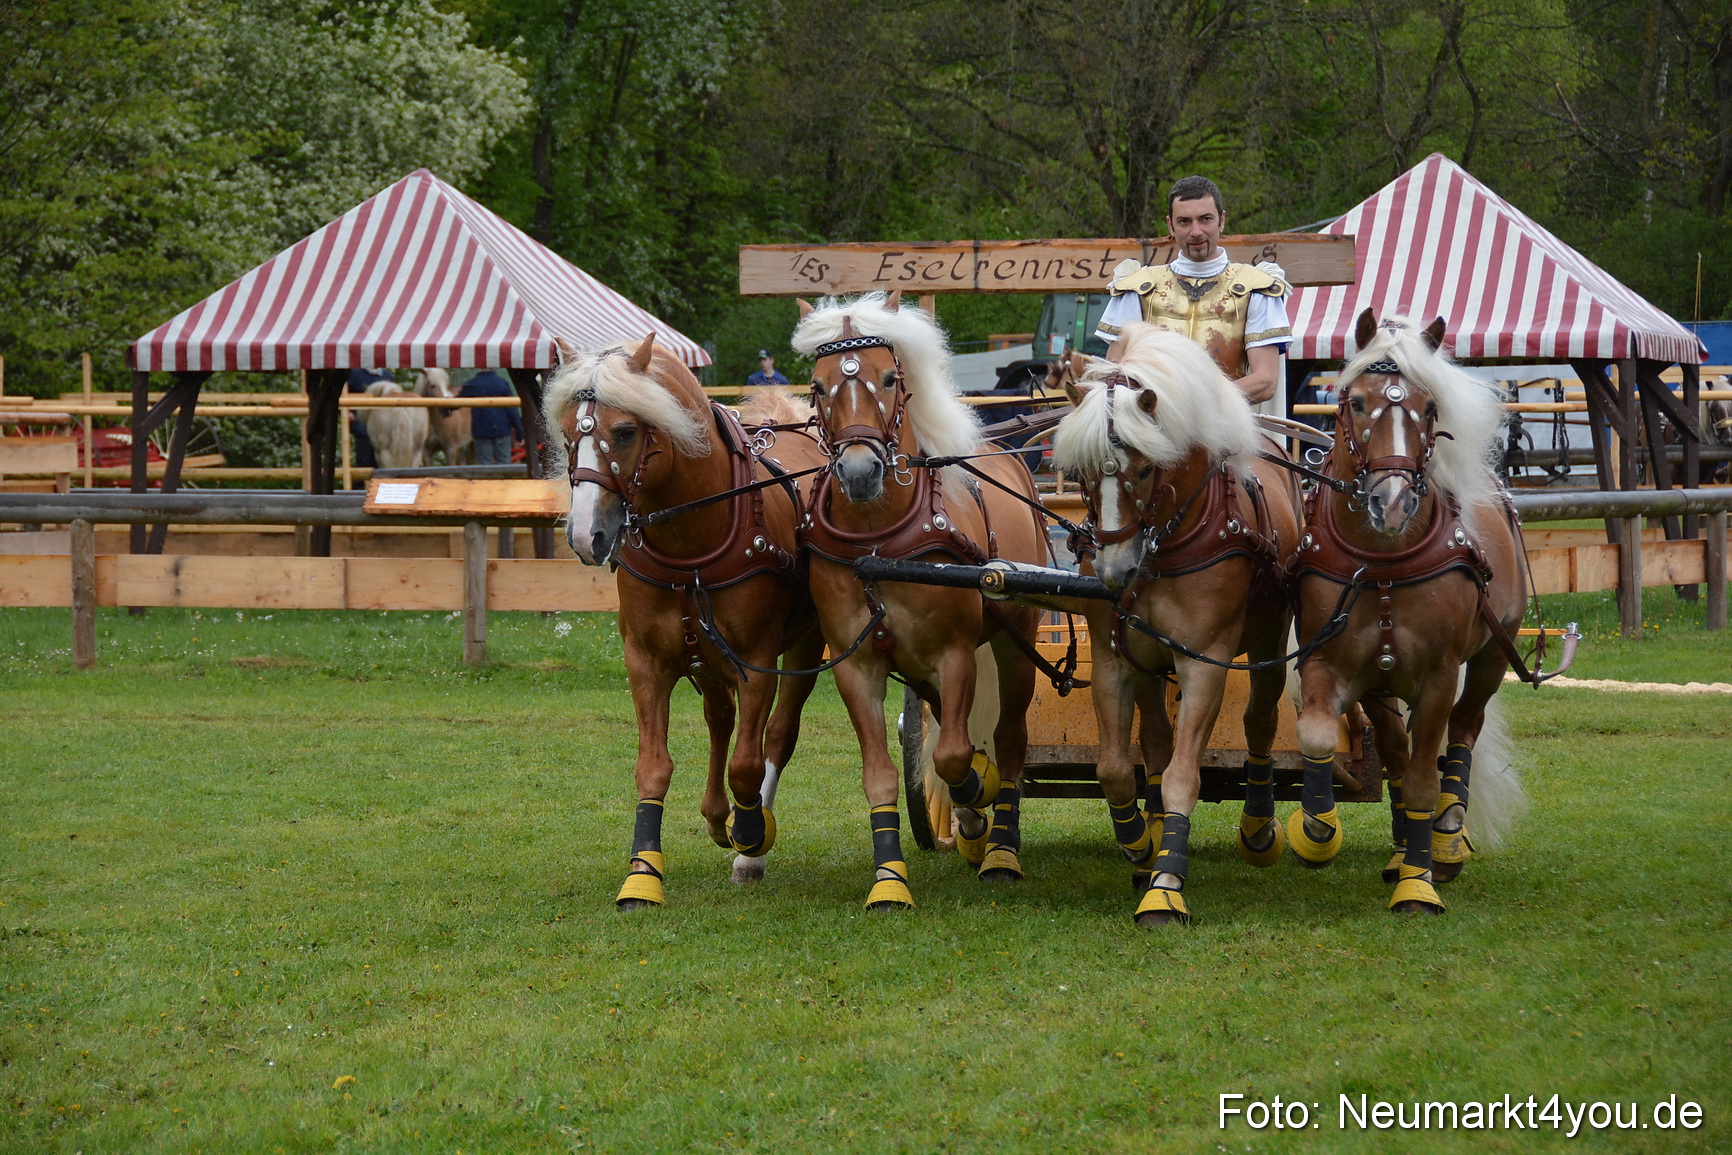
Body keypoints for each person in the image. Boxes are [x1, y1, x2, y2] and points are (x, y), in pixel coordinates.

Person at [1094, 175, 1292, 406]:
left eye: (1205, 219)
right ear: (1170, 225)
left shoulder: (1256, 288)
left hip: (1228, 426)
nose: (1196, 231)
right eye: (1185, 221)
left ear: (1221, 220)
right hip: (1153, 428)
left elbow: (1265, 381)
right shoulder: (1138, 288)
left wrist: (1196, 409)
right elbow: (1116, 372)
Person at [459, 368, 523, 466]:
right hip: (502, 430)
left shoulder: (472, 384)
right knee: (504, 463)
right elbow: (512, 410)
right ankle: (504, 480)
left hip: (481, 431)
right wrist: (519, 433)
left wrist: (445, 408)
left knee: (484, 465)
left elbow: (457, 402)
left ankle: (486, 480)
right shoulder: (502, 383)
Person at [345, 368, 390, 470]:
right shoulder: (354, 374)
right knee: (365, 459)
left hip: (384, 427)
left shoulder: (387, 375)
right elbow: (344, 393)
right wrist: (347, 412)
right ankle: (361, 485)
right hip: (362, 424)